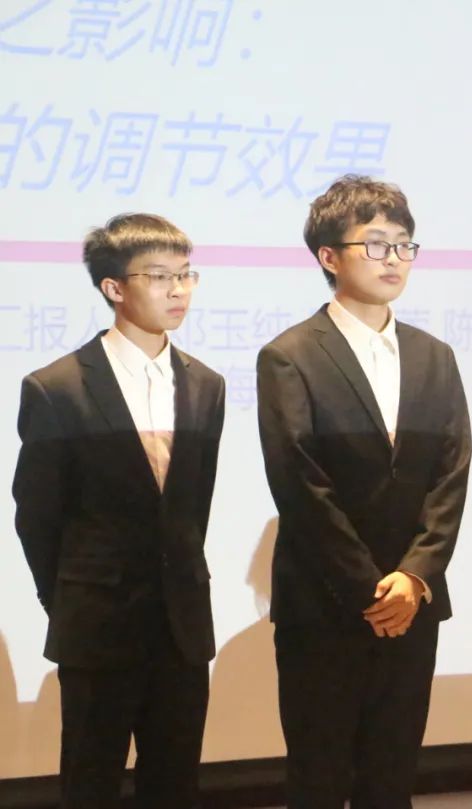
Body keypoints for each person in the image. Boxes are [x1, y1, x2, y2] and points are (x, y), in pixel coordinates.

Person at [256, 175, 471, 808]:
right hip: (324, 606)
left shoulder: (434, 355)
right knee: (319, 778)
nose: (393, 259)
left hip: (414, 603)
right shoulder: (290, 355)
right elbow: (299, 483)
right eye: (375, 245)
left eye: (404, 245)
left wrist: (416, 576)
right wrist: (370, 590)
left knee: (392, 776)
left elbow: (452, 473)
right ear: (329, 256)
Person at [12, 213, 225, 808]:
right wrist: (69, 599)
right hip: (97, 624)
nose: (178, 290)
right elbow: (36, 515)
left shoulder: (206, 384)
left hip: (182, 626)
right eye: (159, 276)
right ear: (114, 287)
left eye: (186, 275)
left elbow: (194, 506)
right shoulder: (57, 387)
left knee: (175, 782)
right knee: (91, 781)